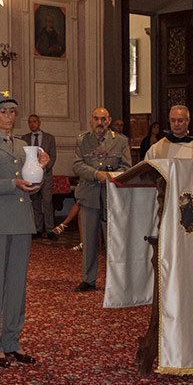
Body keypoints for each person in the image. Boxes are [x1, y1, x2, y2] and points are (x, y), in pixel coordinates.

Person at [0, 91, 50, 368]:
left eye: (12, 112)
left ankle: (12, 341)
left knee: (17, 284)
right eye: (3, 112)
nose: (9, 117)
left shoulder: (22, 146)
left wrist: (39, 171)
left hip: (21, 220)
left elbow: (32, 186)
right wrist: (12, 183)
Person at [72, 107, 131, 292]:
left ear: (109, 120)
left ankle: (115, 281)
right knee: (89, 241)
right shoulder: (83, 140)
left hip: (111, 198)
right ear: (91, 120)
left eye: (103, 119)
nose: (100, 123)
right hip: (89, 196)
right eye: (96, 119)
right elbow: (77, 165)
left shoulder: (120, 141)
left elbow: (127, 167)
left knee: (113, 241)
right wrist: (96, 174)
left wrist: (110, 175)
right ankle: (88, 279)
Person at [21, 114, 57, 240]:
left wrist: (43, 168)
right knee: (35, 202)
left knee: (47, 202)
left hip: (46, 174)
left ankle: (50, 229)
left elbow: (52, 156)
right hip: (30, 176)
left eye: (34, 121)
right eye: (30, 122)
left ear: (39, 122)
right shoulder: (24, 139)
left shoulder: (49, 138)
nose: (32, 124)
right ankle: (37, 228)